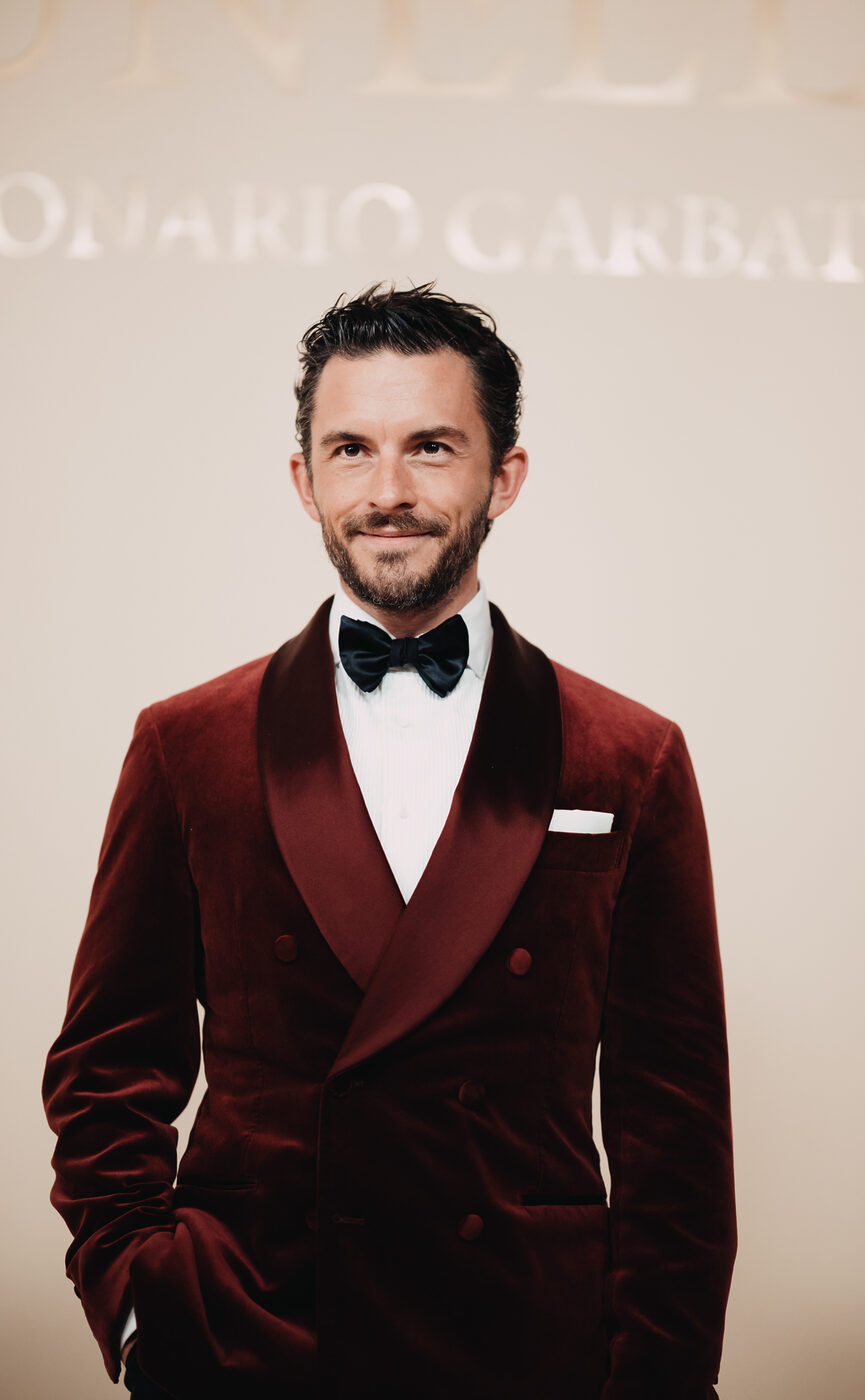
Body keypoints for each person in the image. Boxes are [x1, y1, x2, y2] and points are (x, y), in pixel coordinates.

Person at [43, 283, 737, 1400]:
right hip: (252, 1342)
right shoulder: (187, 744)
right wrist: (140, 1308)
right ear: (303, 479)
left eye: (432, 447)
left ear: (504, 476)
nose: (388, 492)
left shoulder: (630, 756)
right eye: (352, 449)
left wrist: (659, 1378)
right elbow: (105, 1069)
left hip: (526, 1350)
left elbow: (676, 1125)